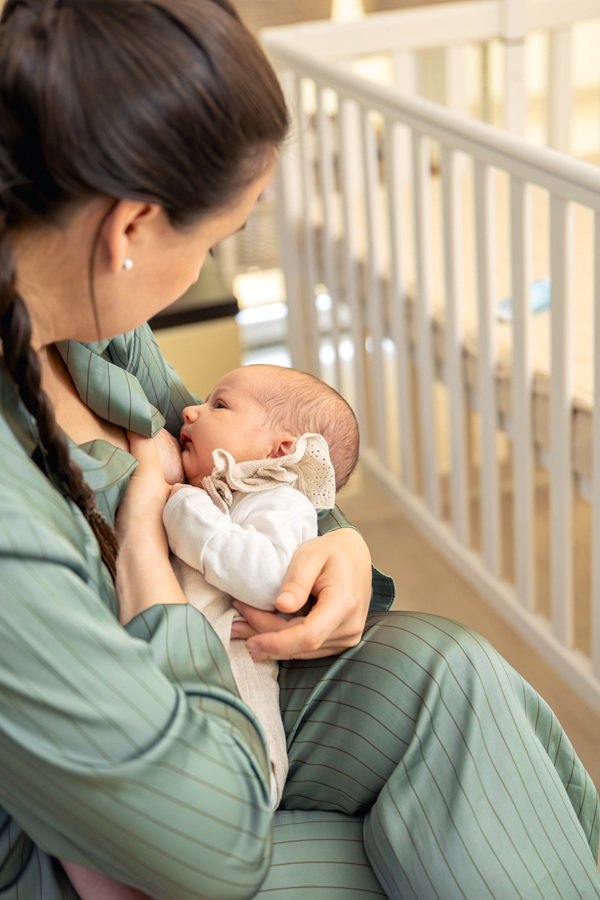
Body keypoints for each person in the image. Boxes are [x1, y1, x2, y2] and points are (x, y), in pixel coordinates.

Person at [0, 0, 598, 898]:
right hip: (111, 819)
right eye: (211, 243)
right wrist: (151, 567)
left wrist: (335, 540)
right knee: (450, 846)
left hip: (216, 703)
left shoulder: (91, 328)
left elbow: (243, 457)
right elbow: (211, 848)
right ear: (129, 229)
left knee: (456, 677)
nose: (199, 272)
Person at [165, 363, 360, 808]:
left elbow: (272, 579)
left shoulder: (282, 500)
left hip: (237, 698)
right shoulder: (231, 494)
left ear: (280, 450)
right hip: (190, 674)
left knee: (229, 780)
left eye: (220, 404)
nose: (191, 412)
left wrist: (184, 506)